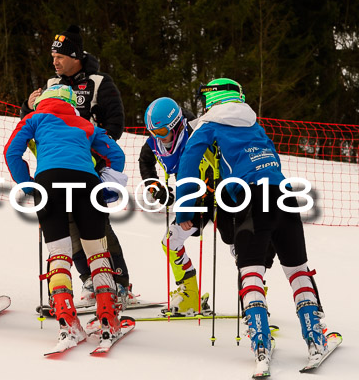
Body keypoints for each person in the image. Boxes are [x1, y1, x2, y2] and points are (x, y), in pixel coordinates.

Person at [176, 78, 330, 369]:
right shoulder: (255, 125)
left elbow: (187, 166)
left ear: (212, 100)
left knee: (250, 271)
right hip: (284, 195)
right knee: (297, 269)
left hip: (251, 198)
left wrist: (185, 212)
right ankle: (315, 337)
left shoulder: (209, 126)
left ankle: (260, 343)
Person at [21, 24, 135, 307]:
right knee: (66, 227)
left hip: (90, 166)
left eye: (60, 56)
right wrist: (27, 105)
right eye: (52, 56)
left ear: (76, 56)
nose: (55, 61)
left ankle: (118, 282)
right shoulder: (50, 85)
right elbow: (30, 124)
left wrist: (95, 148)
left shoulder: (99, 82)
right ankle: (89, 280)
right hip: (55, 166)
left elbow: (116, 124)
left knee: (97, 225)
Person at [5, 85, 126, 346]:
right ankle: (108, 319)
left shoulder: (33, 118)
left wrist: (27, 184)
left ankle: (67, 322)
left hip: (48, 182)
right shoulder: (84, 123)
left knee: (58, 253)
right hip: (86, 181)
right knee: (97, 251)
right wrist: (108, 182)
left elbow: (11, 152)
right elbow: (116, 154)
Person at [139, 97, 236, 316]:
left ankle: (253, 295)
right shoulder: (155, 140)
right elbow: (145, 162)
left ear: (176, 125)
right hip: (191, 198)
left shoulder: (198, 130)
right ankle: (189, 295)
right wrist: (156, 188)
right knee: (171, 241)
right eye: (152, 131)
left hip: (219, 195)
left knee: (237, 244)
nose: (157, 137)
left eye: (162, 131)